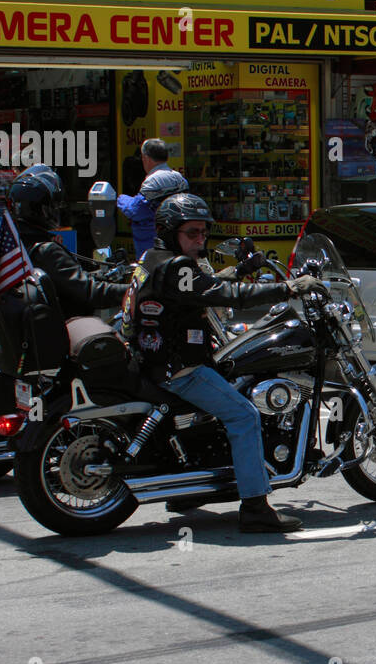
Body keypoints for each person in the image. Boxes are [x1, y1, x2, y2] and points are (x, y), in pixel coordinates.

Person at [124, 193, 322, 533]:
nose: (200, 240)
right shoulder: (177, 265)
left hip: (150, 359)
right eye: (191, 233)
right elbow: (226, 294)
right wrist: (287, 288)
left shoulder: (153, 258)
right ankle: (256, 507)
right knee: (244, 414)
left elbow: (204, 287)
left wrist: (242, 269)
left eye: (203, 233)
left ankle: (190, 491)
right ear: (171, 232)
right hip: (178, 369)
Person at [7, 164, 129, 318]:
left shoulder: (18, 245)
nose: (58, 209)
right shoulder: (47, 251)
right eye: (54, 205)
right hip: (68, 324)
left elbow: (71, 280)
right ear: (42, 209)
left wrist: (101, 275)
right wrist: (133, 289)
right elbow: (90, 292)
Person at [118, 138, 187, 258]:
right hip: (177, 242)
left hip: (152, 246)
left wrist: (122, 199)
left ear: (146, 158)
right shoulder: (179, 178)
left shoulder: (153, 180)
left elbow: (137, 211)